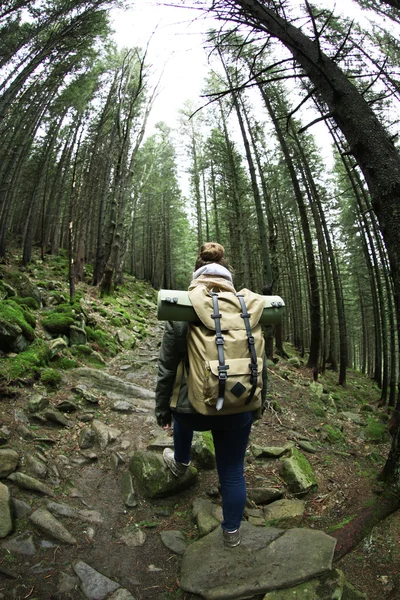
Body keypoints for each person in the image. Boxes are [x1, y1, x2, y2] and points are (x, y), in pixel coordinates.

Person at [155, 242, 266, 548]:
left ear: (197, 272)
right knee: (232, 471)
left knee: (181, 415)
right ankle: (231, 533)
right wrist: (258, 404)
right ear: (227, 273)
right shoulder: (249, 307)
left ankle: (180, 460)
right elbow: (259, 363)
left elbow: (167, 365)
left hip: (191, 410)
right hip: (239, 405)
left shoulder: (185, 304)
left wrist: (162, 408)